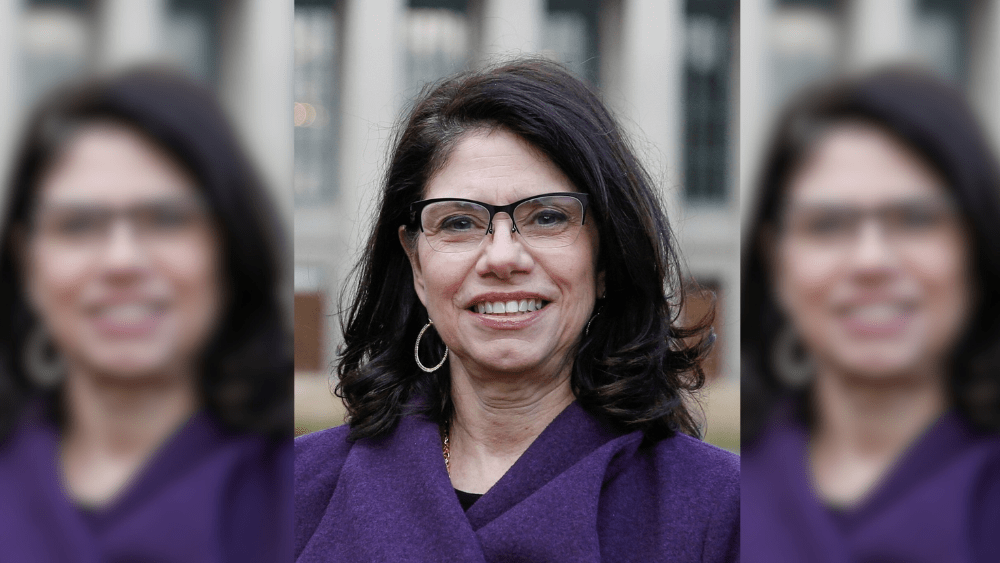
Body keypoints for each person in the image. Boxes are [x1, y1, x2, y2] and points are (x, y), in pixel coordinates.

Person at [295, 59, 739, 562]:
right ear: (416, 265)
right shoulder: (291, 493)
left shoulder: (724, 510)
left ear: (605, 259)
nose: (503, 257)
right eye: (459, 222)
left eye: (547, 217)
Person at [0, 68, 293, 562]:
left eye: (166, 219)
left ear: (229, 248)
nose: (122, 262)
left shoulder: (303, 491)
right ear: (27, 261)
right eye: (78, 224)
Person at [741, 67, 1000, 562]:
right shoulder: (726, 497)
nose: (870, 262)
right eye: (827, 224)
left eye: (916, 218)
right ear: (777, 261)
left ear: (975, 245)